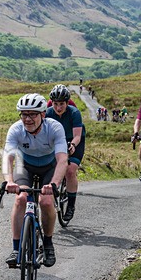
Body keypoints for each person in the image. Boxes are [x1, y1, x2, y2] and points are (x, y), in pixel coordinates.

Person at [3, 93, 68, 268]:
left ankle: (47, 243)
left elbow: (62, 160)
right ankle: (17, 248)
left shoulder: (55, 128)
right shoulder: (16, 129)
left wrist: (53, 184)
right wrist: (9, 181)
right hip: (25, 167)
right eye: (24, 114)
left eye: (32, 114)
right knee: (21, 198)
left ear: (43, 115)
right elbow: (8, 158)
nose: (28, 119)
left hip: (49, 167)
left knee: (46, 201)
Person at [46, 84, 85, 221]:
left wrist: (73, 145)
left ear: (67, 103)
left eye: (62, 104)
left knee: (69, 170)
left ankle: (71, 206)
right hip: (57, 142)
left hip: (73, 141)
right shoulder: (48, 113)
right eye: (55, 104)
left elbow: (77, 136)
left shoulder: (74, 113)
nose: (58, 107)